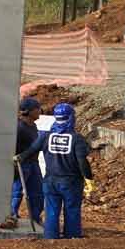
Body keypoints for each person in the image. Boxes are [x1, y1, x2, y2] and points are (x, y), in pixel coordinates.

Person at [19, 100, 92, 239]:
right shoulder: (77, 139)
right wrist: (89, 179)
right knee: (71, 209)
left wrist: (19, 157)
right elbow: (82, 162)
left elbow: (31, 150)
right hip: (71, 181)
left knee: (51, 209)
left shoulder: (45, 136)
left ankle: (51, 235)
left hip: (50, 181)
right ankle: (72, 236)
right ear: (71, 118)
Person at [7, 97, 44, 230]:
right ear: (29, 111)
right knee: (17, 192)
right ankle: (11, 216)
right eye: (37, 109)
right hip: (22, 165)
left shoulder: (32, 125)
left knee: (38, 192)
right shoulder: (19, 127)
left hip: (33, 164)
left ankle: (35, 217)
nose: (40, 111)